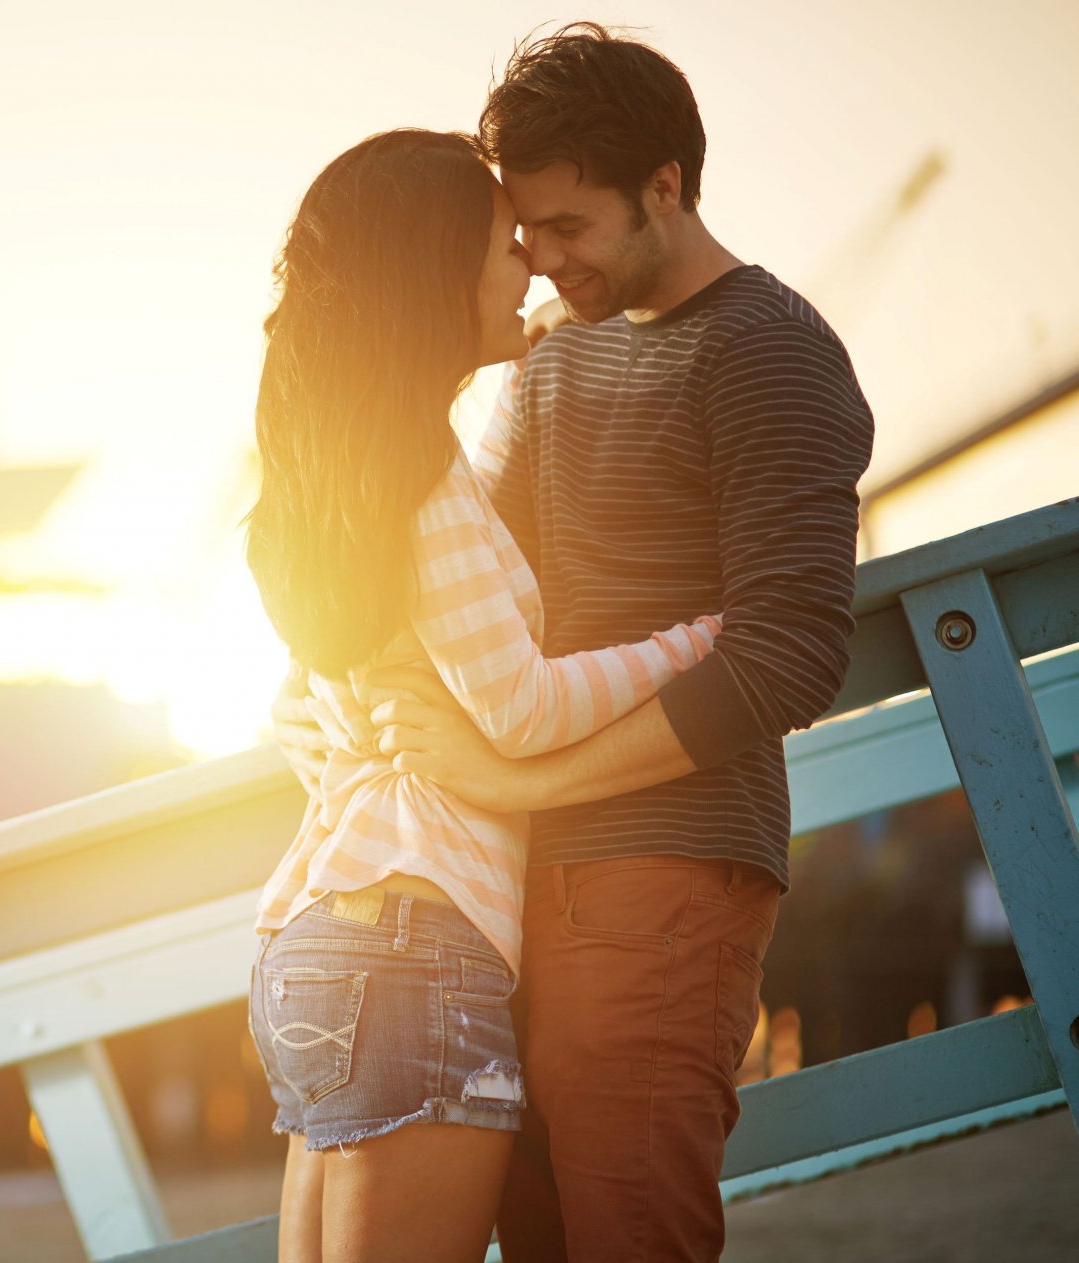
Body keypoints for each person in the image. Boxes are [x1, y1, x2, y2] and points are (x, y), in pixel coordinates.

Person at [274, 25, 875, 1263]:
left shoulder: (770, 350)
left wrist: (512, 776)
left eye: (566, 228)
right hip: (507, 889)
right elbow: (444, 570)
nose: (541, 265)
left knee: (625, 1232)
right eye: (523, 234)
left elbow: (790, 652)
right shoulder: (552, 360)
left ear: (665, 184)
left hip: (665, 871)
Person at [244, 127, 726, 1263]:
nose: (533, 269)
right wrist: (701, 639)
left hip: (316, 938)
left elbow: (308, 711)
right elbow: (518, 706)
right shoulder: (421, 476)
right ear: (437, 278)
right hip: (416, 941)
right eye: (506, 247)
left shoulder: (336, 478)